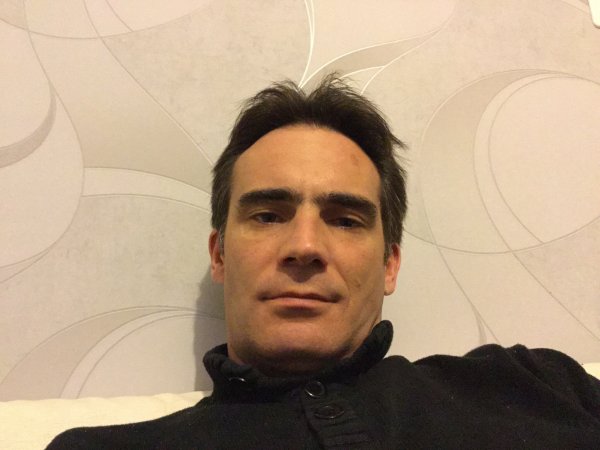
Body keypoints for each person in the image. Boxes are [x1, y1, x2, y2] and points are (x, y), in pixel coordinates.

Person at [47, 76, 600, 449]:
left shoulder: (536, 384)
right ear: (219, 255)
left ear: (390, 264)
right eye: (268, 215)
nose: (305, 246)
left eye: (345, 219)